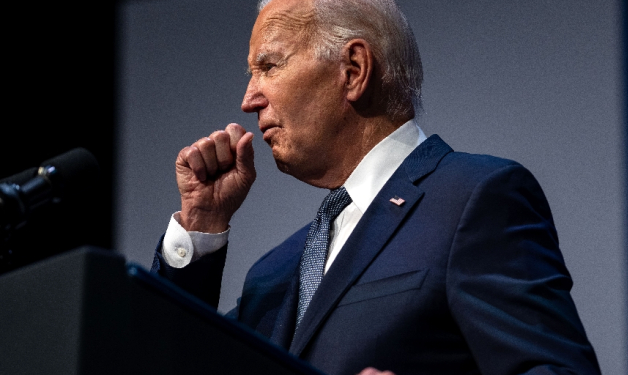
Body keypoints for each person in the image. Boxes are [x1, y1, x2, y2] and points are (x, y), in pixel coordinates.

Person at [151, 0, 601, 374]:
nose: (249, 99)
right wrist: (201, 224)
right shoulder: (273, 275)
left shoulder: (474, 199)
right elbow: (166, 362)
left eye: (269, 66)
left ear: (353, 69)